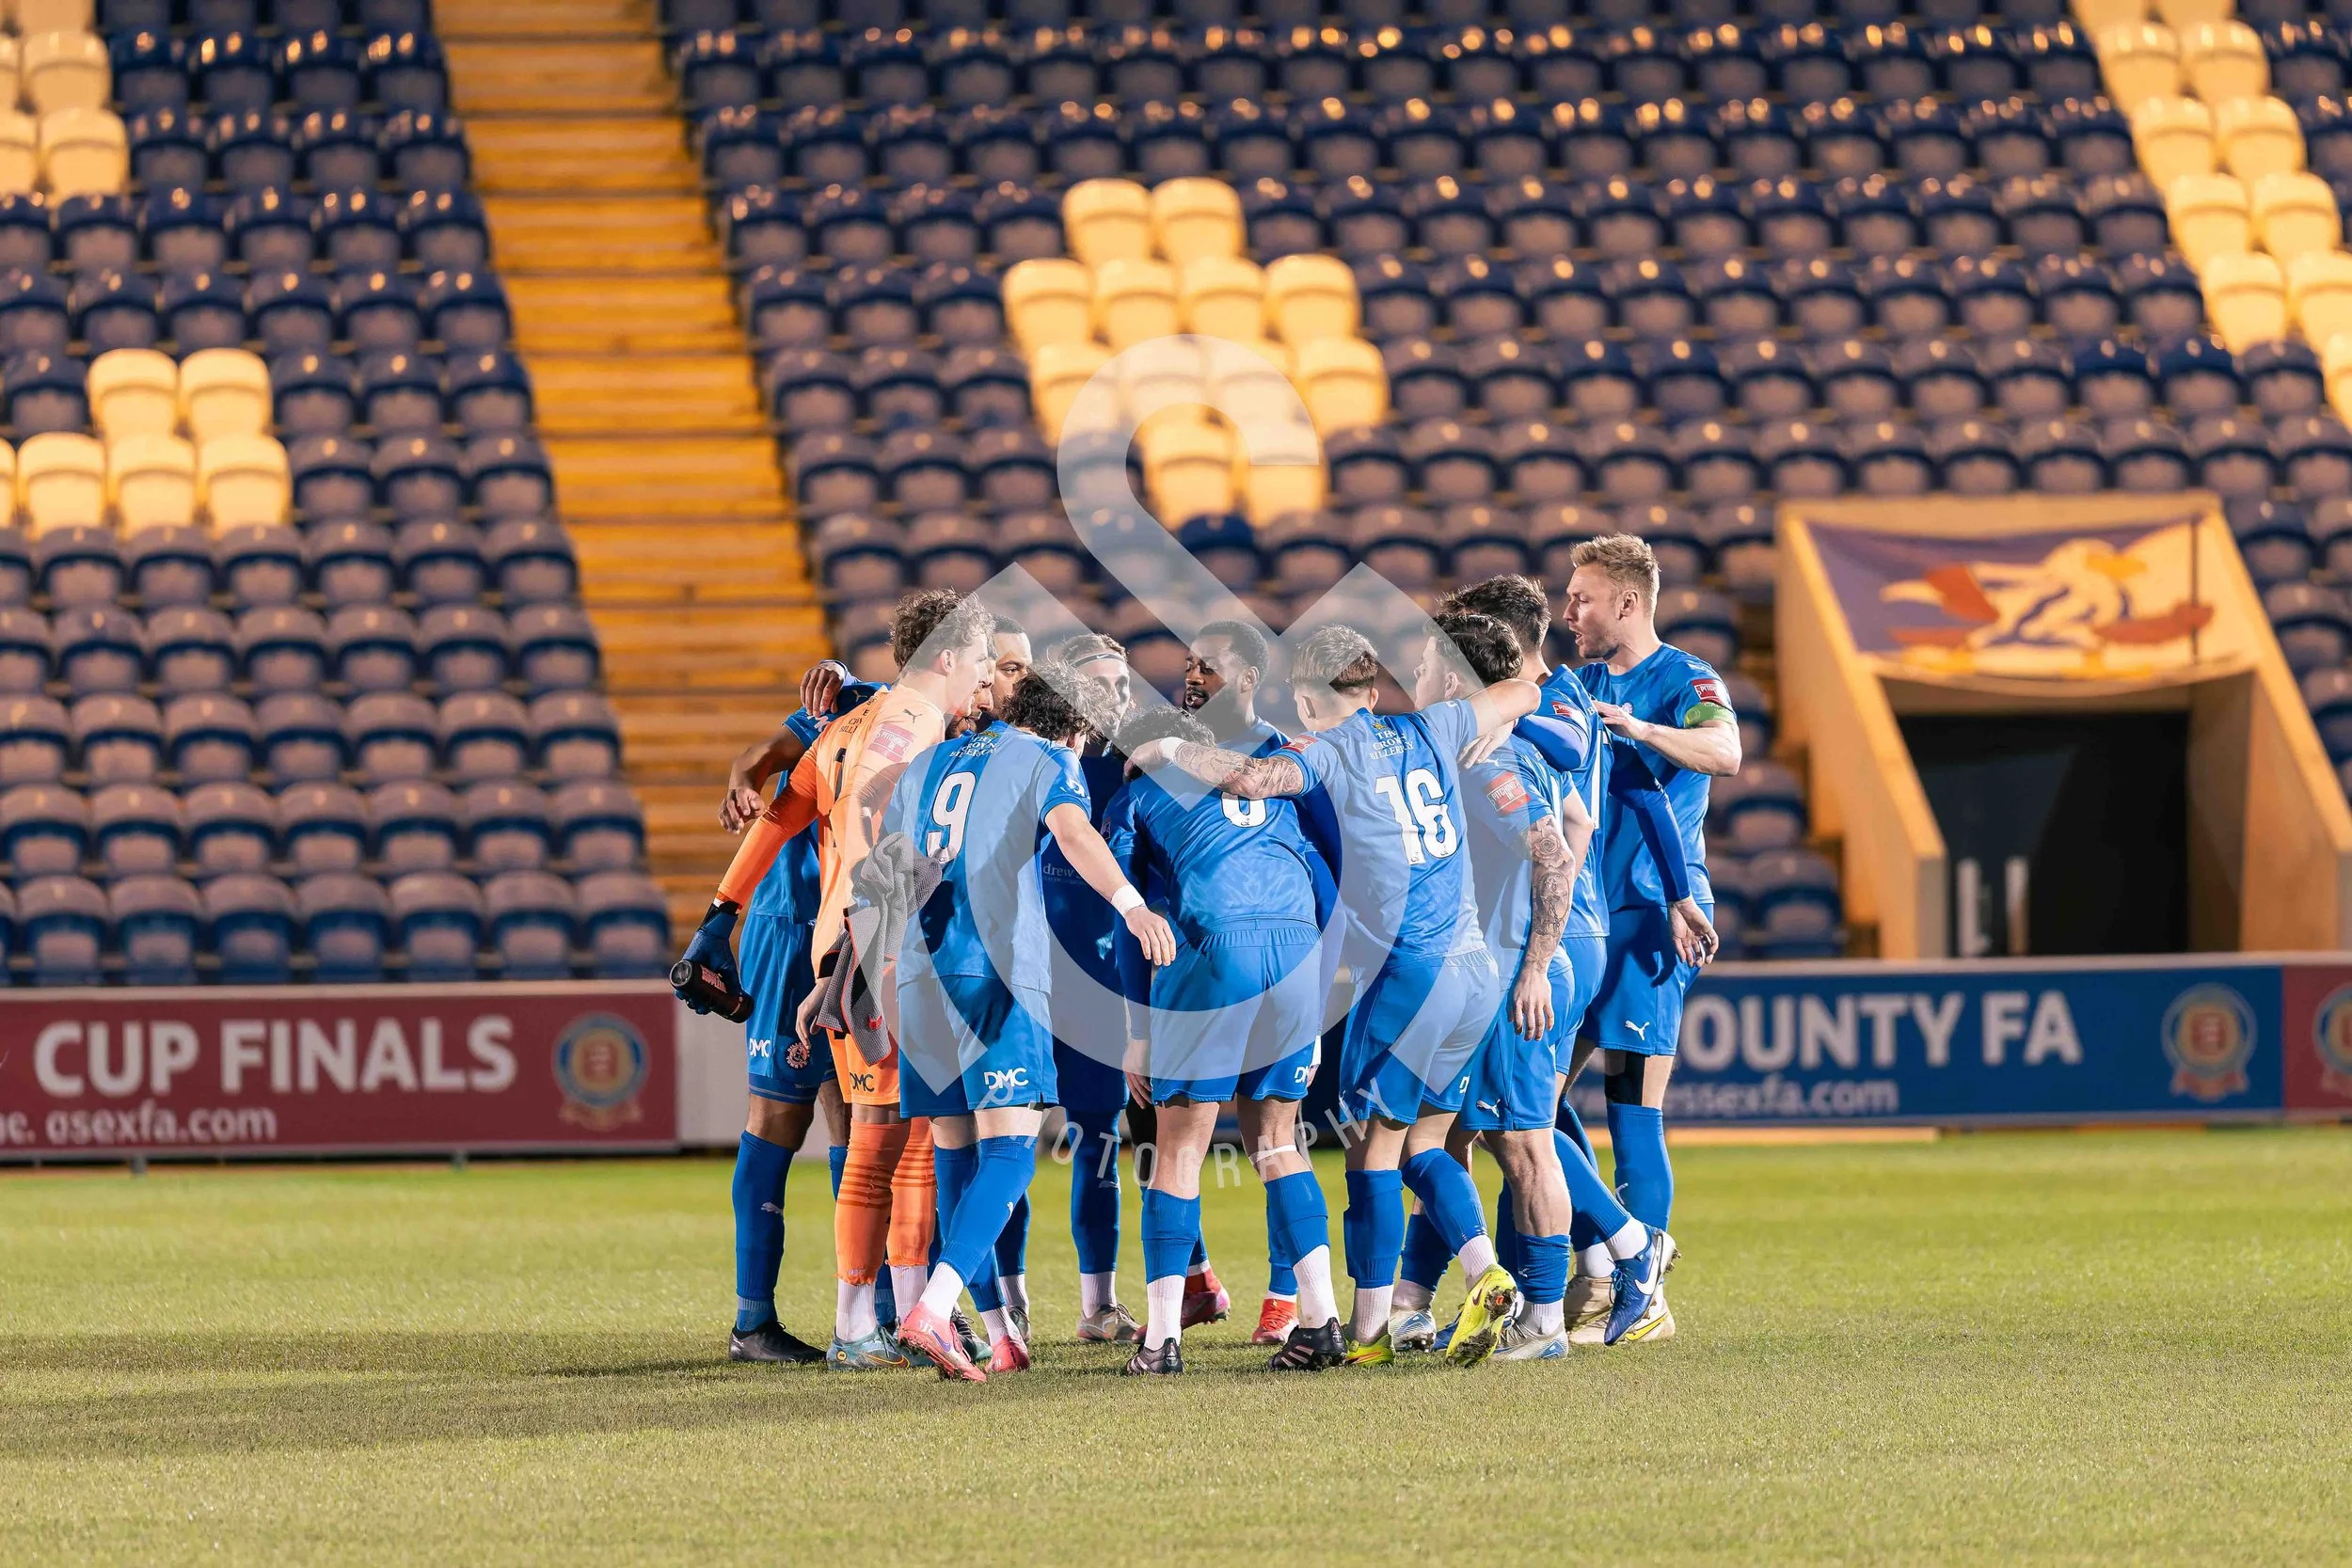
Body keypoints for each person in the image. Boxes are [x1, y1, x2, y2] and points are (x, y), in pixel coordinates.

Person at [1127, 624, 1541, 1368]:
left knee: (1370, 1155)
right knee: (1423, 1143)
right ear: (1375, 688)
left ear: (1308, 701)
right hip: (1477, 967)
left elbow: (1251, 780)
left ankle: (1395, 1322)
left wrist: (1168, 749)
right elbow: (1526, 688)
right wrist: (1497, 721)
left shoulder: (1322, 751)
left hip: (1412, 975)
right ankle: (1455, 1285)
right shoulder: (1433, 724)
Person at [676, 590, 998, 1370]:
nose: (985, 679)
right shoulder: (911, 725)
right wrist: (878, 934)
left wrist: (723, 908)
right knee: (904, 1137)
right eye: (983, 661)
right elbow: (879, 827)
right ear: (949, 656)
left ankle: (878, 1317)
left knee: (879, 1134)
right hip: (884, 941)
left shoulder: (850, 722)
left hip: (845, 941)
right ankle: (874, 1321)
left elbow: (783, 812)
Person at [884, 667, 1176, 1382]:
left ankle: (992, 1331)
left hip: (920, 973)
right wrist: (1132, 903)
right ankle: (932, 1307)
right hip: (997, 967)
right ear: (1073, 730)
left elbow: (889, 870)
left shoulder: (929, 761)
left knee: (954, 1149)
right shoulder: (1046, 759)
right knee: (1010, 1150)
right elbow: (1072, 830)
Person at [1105, 704, 1345, 1375]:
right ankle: (1322, 1319)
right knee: (1277, 1142)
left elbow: (1133, 921)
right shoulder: (1272, 800)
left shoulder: (1138, 794)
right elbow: (1330, 899)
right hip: (1296, 956)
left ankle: (1159, 1340)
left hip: (1214, 952)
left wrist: (1138, 1032)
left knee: (1179, 1150)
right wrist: (1316, 1008)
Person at [1565, 535, 1740, 1345]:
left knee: (1633, 1105)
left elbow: (1725, 751)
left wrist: (1639, 726)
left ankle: (1648, 1291)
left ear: (1628, 602)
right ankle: (1604, 1259)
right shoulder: (1578, 682)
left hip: (1653, 914)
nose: (1570, 612)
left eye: (1583, 598)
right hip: (1579, 914)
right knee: (1533, 1100)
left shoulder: (1686, 679)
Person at [706, 665, 880, 1364]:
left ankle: (865, 1312)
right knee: (779, 1113)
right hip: (789, 926)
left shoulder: (934, 727)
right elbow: (760, 756)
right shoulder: (852, 704)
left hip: (856, 932)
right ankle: (753, 1322)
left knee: (857, 1112)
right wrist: (743, 781)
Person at [1179, 618, 1345, 1347]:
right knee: (1269, 1135)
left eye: (1207, 669)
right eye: (1188, 665)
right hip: (1230, 964)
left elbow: (1337, 861)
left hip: (1274, 961)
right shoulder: (1186, 758)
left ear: (1247, 678)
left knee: (1258, 1130)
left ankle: (1285, 1297)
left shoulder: (1287, 757)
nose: (1192, 678)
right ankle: (1267, 1295)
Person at [1036, 632, 1148, 1342]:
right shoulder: (1034, 758)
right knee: (1002, 1141)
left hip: (1100, 986)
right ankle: (999, 1304)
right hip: (1025, 981)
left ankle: (1098, 1306)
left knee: (1100, 1144)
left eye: (1124, 683)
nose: (1118, 696)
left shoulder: (1144, 770)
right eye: (1101, 683)